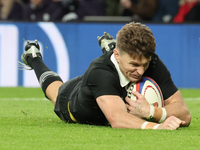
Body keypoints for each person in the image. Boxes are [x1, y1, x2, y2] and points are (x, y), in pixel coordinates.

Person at [20, 22, 191, 130]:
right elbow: (117, 119)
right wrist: (157, 127)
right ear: (118, 56)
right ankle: (33, 57)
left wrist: (152, 111)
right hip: (74, 99)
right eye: (134, 64)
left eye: (144, 64)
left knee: (124, 71)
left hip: (110, 78)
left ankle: (109, 48)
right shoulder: (100, 72)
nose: (140, 71)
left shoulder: (151, 62)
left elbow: (185, 114)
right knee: (55, 91)